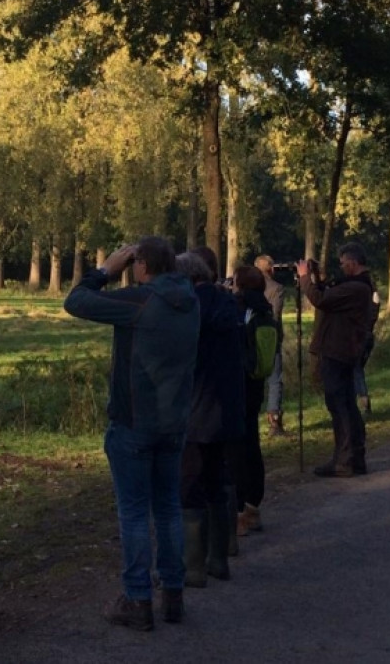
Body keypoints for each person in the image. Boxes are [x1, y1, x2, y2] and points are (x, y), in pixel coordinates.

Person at [64, 237, 199, 631]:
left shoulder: (141, 301)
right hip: (175, 422)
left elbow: (76, 302)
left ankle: (138, 598)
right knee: (169, 507)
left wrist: (105, 271)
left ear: (141, 265)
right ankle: (173, 594)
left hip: (135, 421)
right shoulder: (191, 300)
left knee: (135, 512)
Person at [176, 248, 243, 588]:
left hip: (195, 406)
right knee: (218, 479)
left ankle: (193, 567)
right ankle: (219, 559)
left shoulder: (189, 307)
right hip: (226, 409)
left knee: (190, 483)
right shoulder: (228, 304)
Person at [297, 243, 374, 477]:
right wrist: (318, 278)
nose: (341, 268)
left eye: (342, 264)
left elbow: (321, 300)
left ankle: (344, 460)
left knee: (339, 405)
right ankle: (354, 457)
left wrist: (304, 278)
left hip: (338, 350)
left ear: (352, 263)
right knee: (346, 404)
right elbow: (330, 297)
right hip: (342, 349)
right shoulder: (359, 286)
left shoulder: (356, 287)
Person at [229, 265, 273, 536]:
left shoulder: (238, 307)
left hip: (238, 383)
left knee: (235, 449)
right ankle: (253, 506)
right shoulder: (266, 310)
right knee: (252, 444)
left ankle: (238, 513)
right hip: (256, 382)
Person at [254, 255, 289, 437]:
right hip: (271, 339)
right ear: (271, 269)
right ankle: (274, 419)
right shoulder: (277, 288)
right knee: (275, 380)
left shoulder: (244, 287)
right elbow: (275, 315)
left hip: (251, 338)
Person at [354, 287, 381, 415]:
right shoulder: (373, 297)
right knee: (357, 369)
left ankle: (363, 401)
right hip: (368, 337)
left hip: (358, 338)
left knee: (356, 369)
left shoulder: (357, 299)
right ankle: (362, 401)